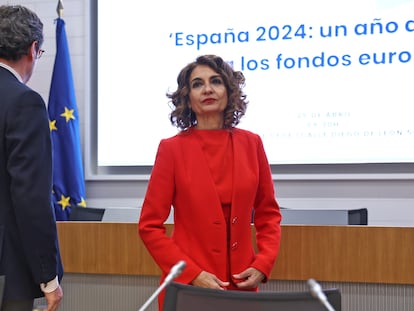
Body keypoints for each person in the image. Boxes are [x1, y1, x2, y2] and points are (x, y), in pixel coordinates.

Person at [138, 54, 282, 310]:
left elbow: (268, 215)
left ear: (228, 90)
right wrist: (192, 273)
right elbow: (149, 226)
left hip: (242, 285)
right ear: (188, 98)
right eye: (197, 84)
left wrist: (263, 263)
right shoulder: (171, 149)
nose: (207, 89)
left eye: (215, 81)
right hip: (189, 286)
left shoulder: (252, 144)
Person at [0, 5, 63, 311]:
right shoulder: (24, 102)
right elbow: (30, 197)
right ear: (33, 48)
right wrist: (48, 277)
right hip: (6, 270)